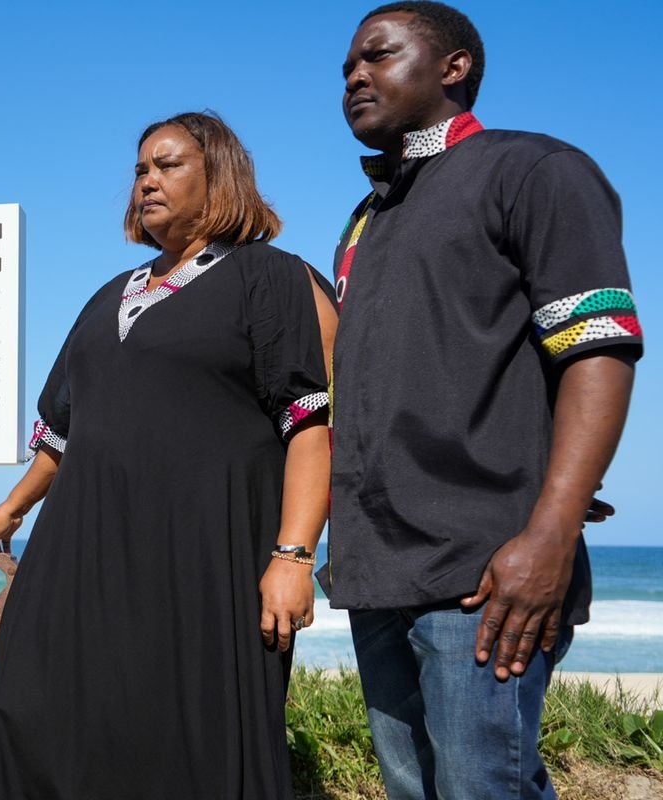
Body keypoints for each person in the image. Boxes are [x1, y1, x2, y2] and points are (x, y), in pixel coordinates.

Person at [0, 112, 337, 799]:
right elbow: (64, 433)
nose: (147, 181)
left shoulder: (271, 277)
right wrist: (11, 507)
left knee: (180, 739)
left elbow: (309, 426)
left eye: (168, 165)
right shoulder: (109, 295)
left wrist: (293, 557)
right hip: (79, 554)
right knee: (35, 713)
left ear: (219, 176)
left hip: (203, 560)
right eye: (140, 169)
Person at [327, 4, 640, 797]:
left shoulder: (533, 170)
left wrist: (551, 531)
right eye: (346, 67)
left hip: (485, 571)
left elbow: (598, 349)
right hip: (376, 570)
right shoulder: (368, 217)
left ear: (454, 66)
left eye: (377, 55)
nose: (355, 75)